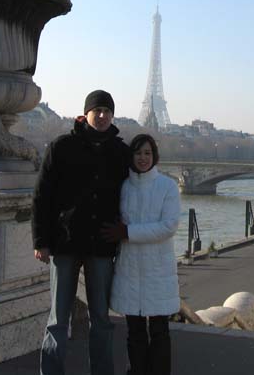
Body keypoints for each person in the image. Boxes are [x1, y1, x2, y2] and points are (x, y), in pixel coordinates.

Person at [31, 90, 130, 375]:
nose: (102, 116)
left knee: (101, 318)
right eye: (97, 110)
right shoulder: (62, 146)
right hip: (65, 243)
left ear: (113, 116)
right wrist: (41, 240)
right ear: (85, 113)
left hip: (101, 243)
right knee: (58, 318)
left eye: (107, 111)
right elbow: (41, 197)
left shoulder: (121, 152)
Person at [101, 134, 181, 375]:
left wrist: (127, 232)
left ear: (154, 156)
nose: (143, 158)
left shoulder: (167, 186)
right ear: (131, 156)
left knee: (159, 331)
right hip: (130, 269)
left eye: (147, 153)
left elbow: (169, 226)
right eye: (138, 153)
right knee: (134, 332)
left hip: (158, 270)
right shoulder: (124, 186)